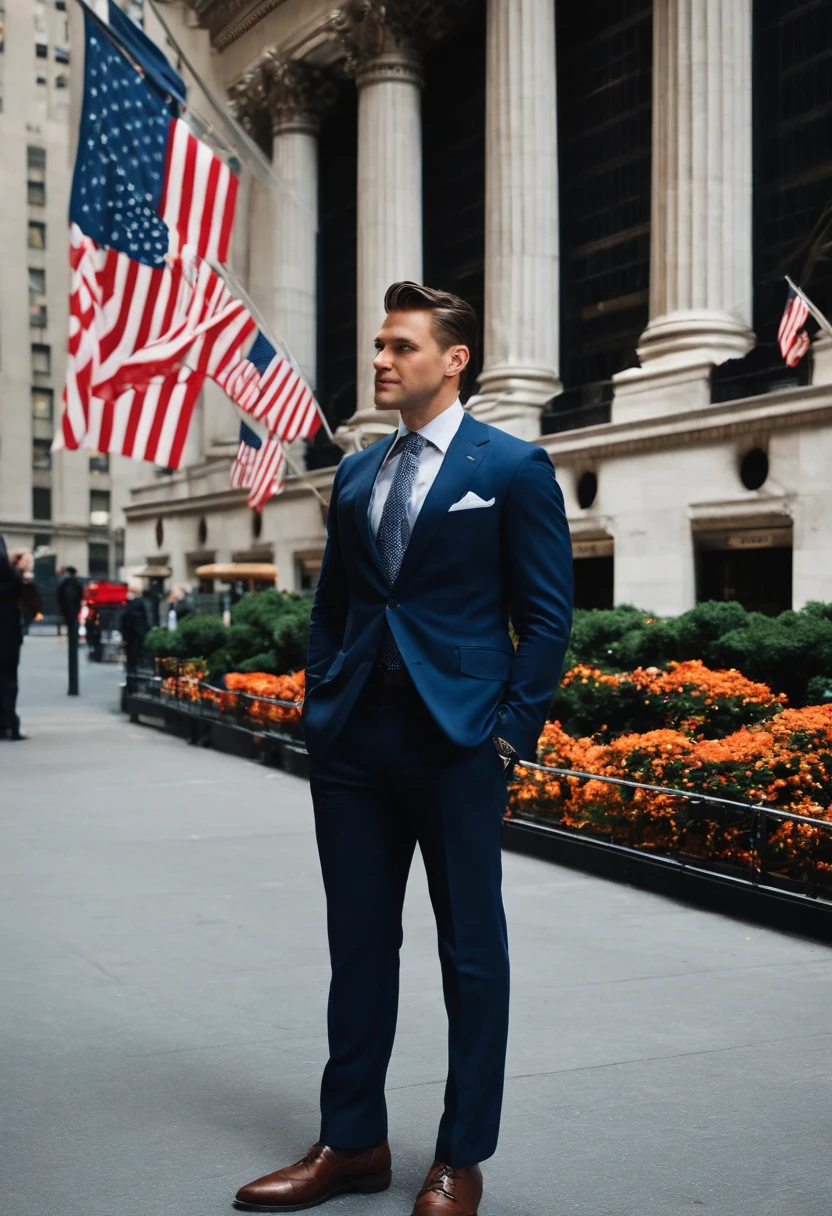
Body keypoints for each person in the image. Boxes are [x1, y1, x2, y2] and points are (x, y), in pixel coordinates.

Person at [234, 283, 573, 1216]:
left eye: (399, 346)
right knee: (358, 948)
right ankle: (352, 1142)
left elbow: (545, 618)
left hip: (458, 742)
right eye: (378, 344)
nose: (379, 360)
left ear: (454, 358)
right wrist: (320, 705)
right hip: (354, 745)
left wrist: (508, 738)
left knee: (471, 952)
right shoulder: (354, 473)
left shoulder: (510, 467)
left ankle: (461, 1156)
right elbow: (334, 607)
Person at [0, 539, 40, 741]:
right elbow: (30, 603)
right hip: (7, 633)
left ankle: (8, 724)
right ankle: (8, 724)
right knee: (8, 679)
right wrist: (23, 573)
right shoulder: (12, 580)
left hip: (8, 632)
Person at [121, 578, 152, 676]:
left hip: (131, 635)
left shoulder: (129, 605)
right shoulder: (139, 603)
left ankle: (131, 674)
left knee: (131, 658)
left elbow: (125, 621)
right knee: (136, 655)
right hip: (138, 634)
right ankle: (134, 672)